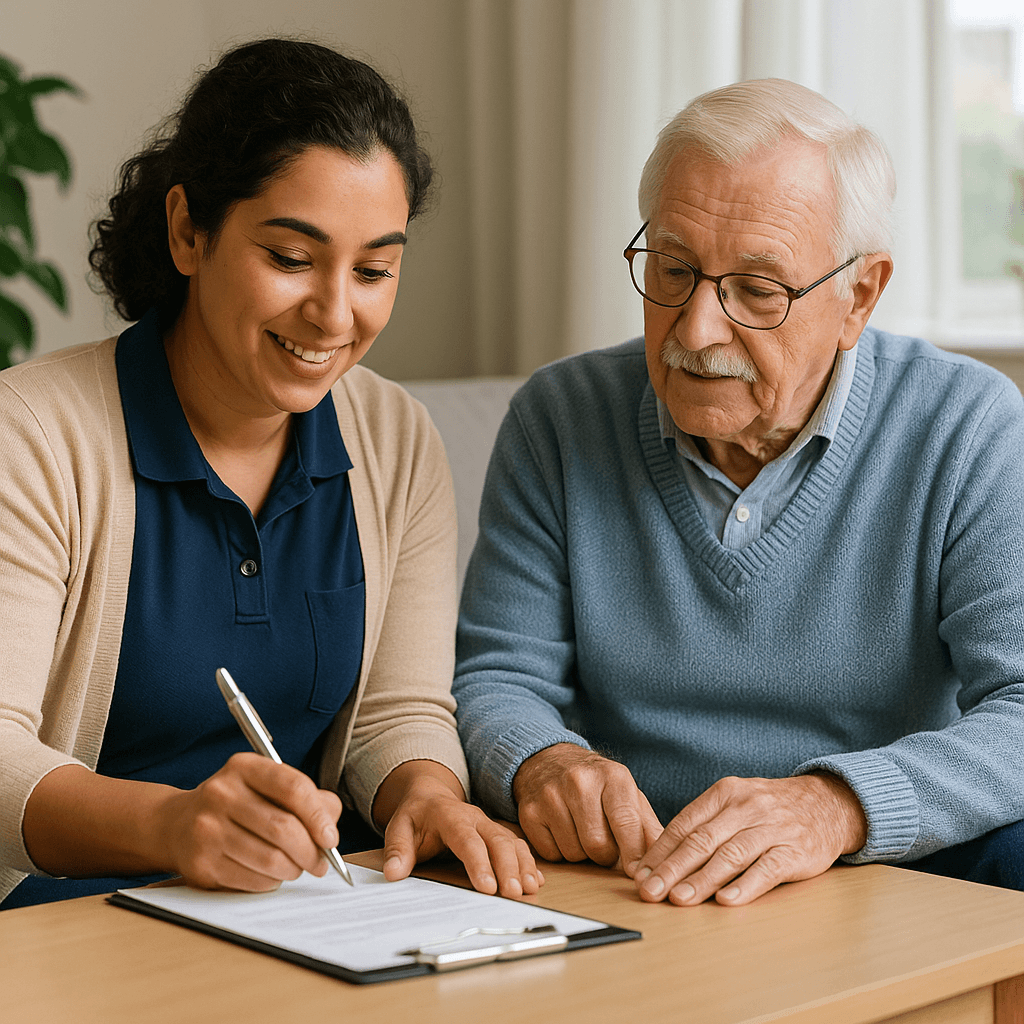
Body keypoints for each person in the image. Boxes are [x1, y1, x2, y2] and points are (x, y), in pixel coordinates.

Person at [452, 77, 1024, 908]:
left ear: (857, 296)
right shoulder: (560, 416)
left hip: (882, 869)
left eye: (757, 290)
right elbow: (499, 676)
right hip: (635, 875)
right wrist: (544, 760)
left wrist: (836, 807)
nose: (694, 330)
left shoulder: (966, 425)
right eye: (674, 270)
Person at [0, 38, 539, 909]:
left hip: (304, 916)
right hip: (64, 927)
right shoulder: (29, 434)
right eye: (291, 258)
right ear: (188, 231)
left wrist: (430, 798)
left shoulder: (395, 439)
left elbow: (396, 713)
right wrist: (174, 828)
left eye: (373, 270)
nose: (334, 314)